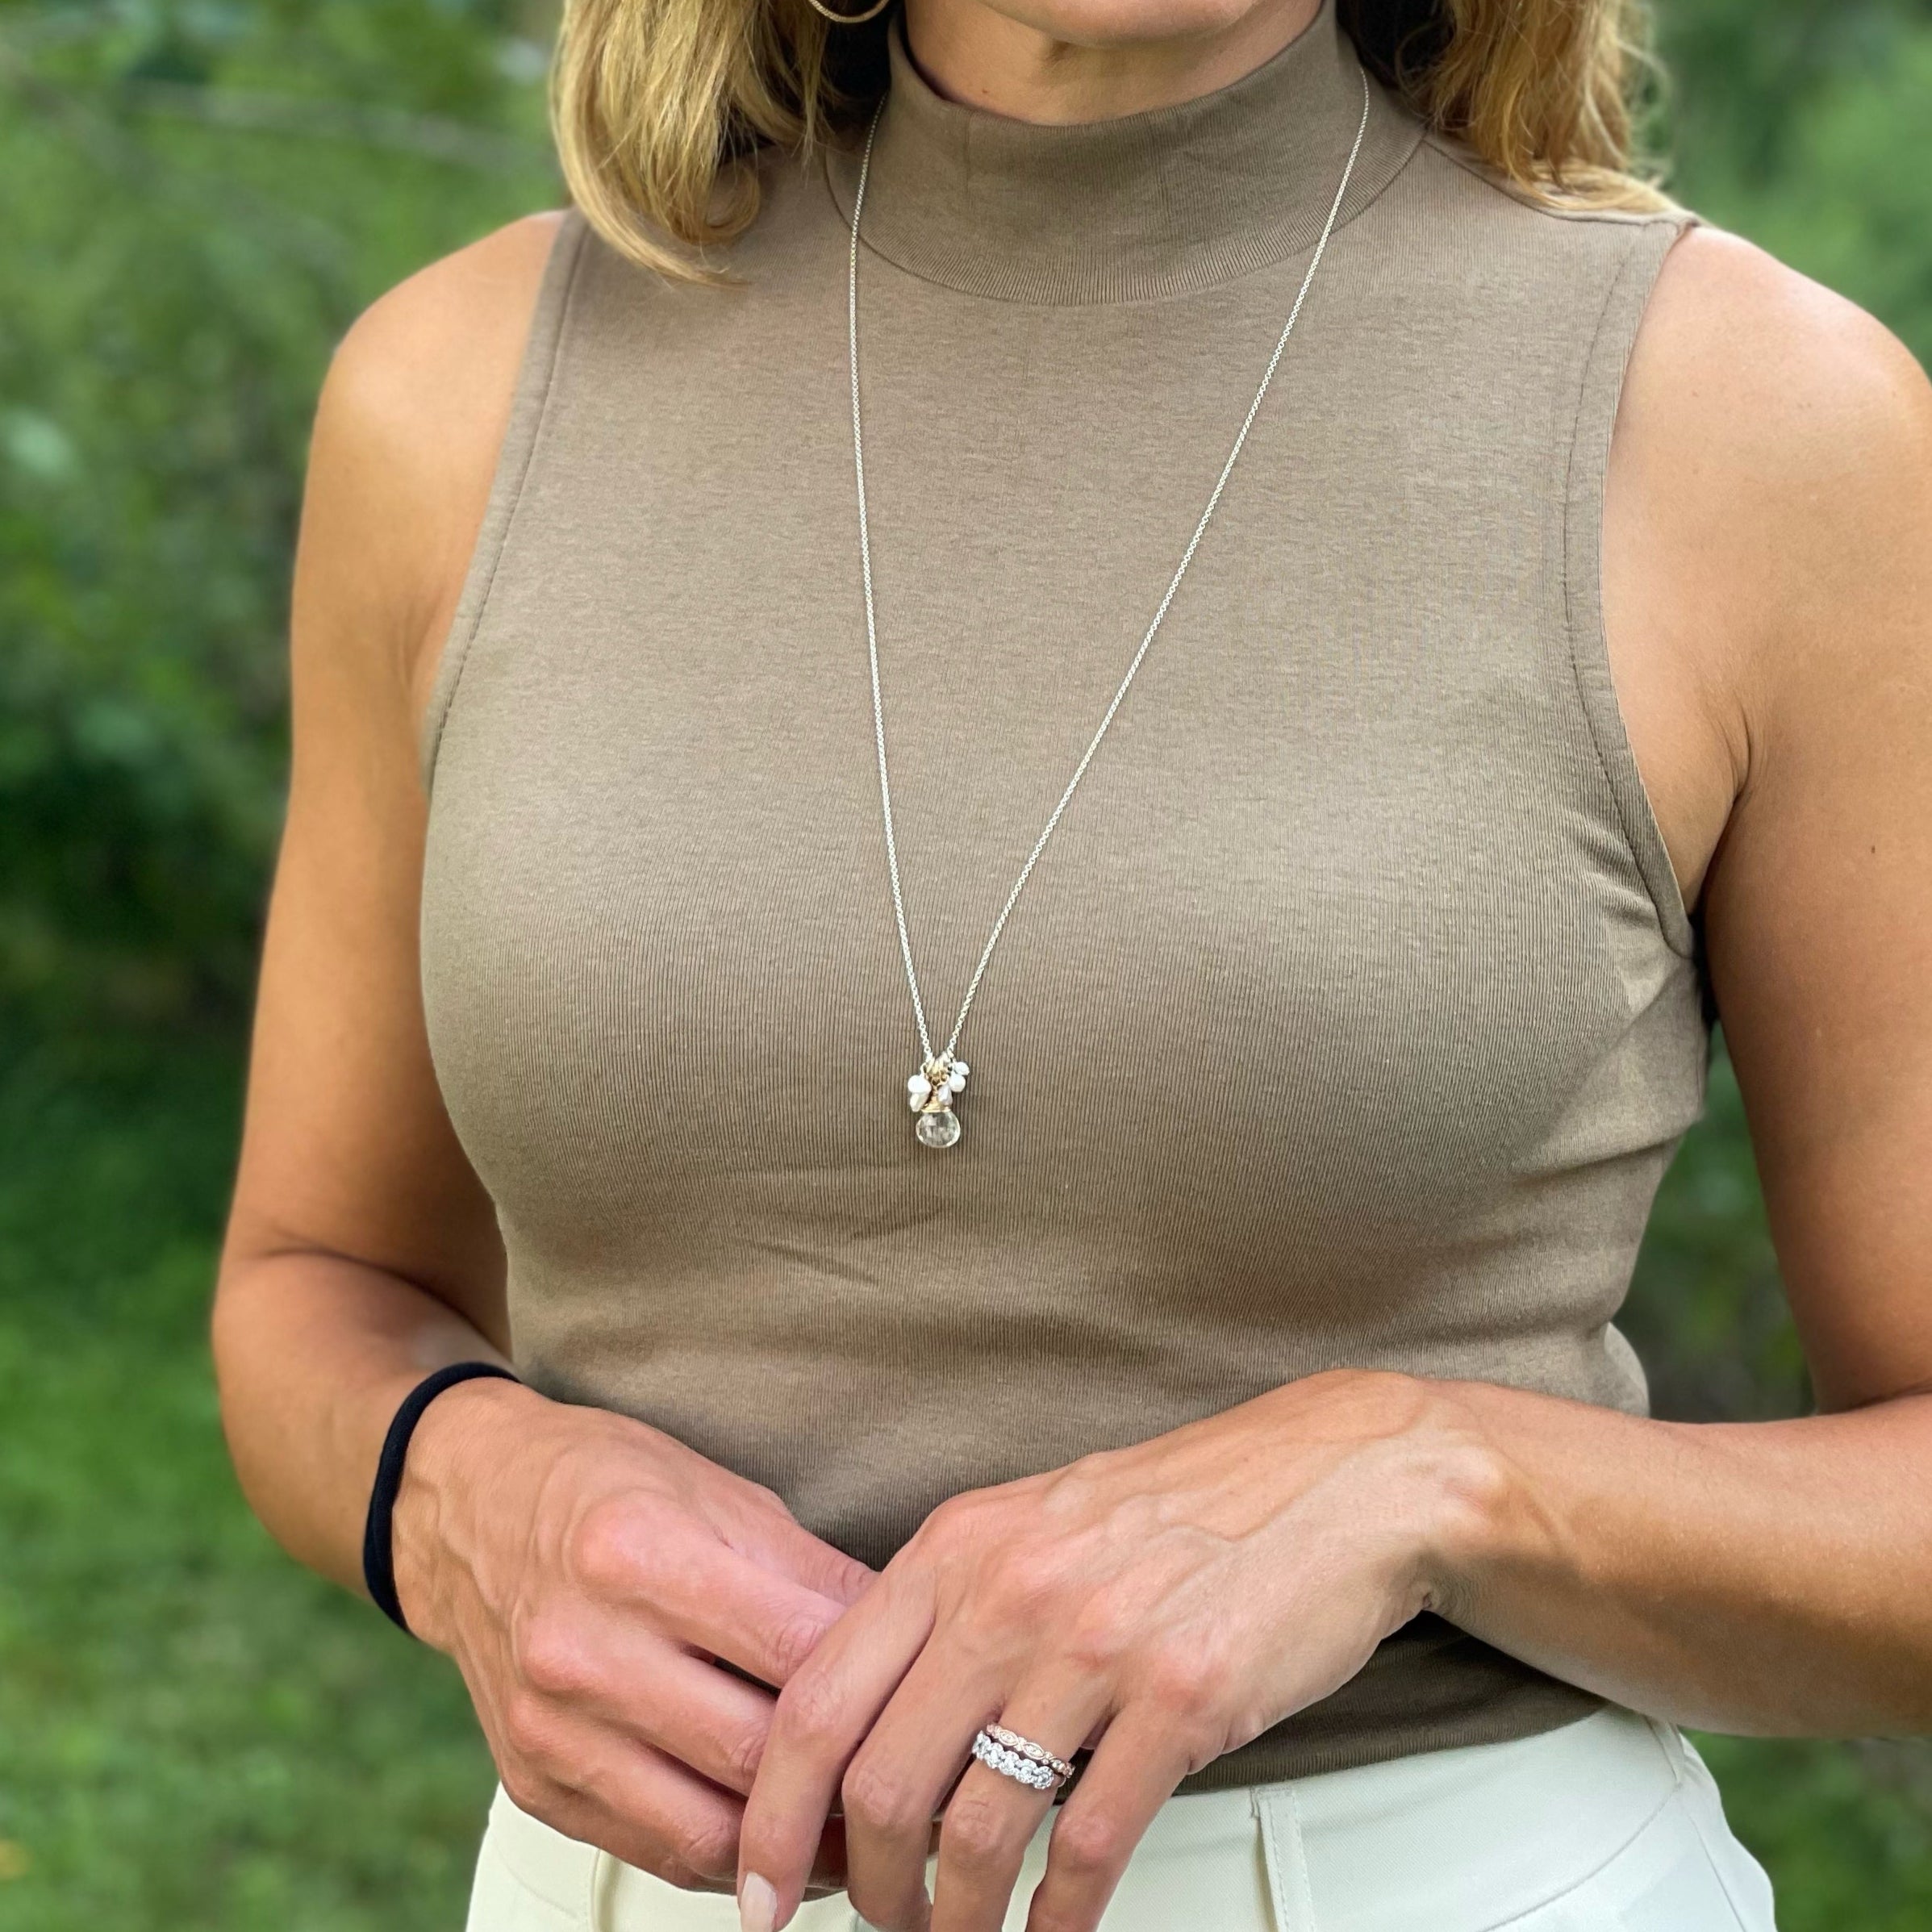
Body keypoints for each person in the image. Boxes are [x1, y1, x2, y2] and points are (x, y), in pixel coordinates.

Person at [211, 0, 1932, 1924]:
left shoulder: (1760, 427)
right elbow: (313, 1283)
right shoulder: (458, 392)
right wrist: (464, 1496)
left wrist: (1427, 1474)